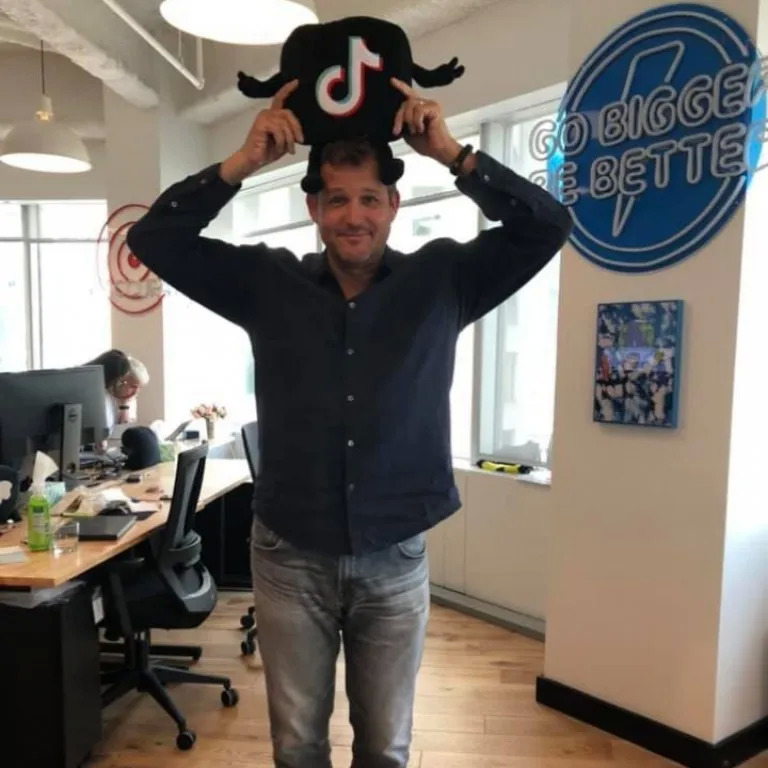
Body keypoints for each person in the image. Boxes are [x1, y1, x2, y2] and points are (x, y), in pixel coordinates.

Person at [127, 77, 572, 768]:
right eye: (337, 199)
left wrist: (454, 155)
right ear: (314, 208)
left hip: (394, 553)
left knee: (386, 748)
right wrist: (240, 164)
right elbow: (154, 238)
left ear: (394, 204)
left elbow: (547, 226)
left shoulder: (445, 280)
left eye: (369, 198)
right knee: (297, 746)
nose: (353, 215)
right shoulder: (266, 283)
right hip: (288, 556)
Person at [85, 349, 149, 429]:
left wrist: (124, 406)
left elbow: (125, 430)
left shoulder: (130, 400)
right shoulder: (102, 396)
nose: (136, 392)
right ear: (121, 381)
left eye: (140, 388)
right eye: (133, 386)